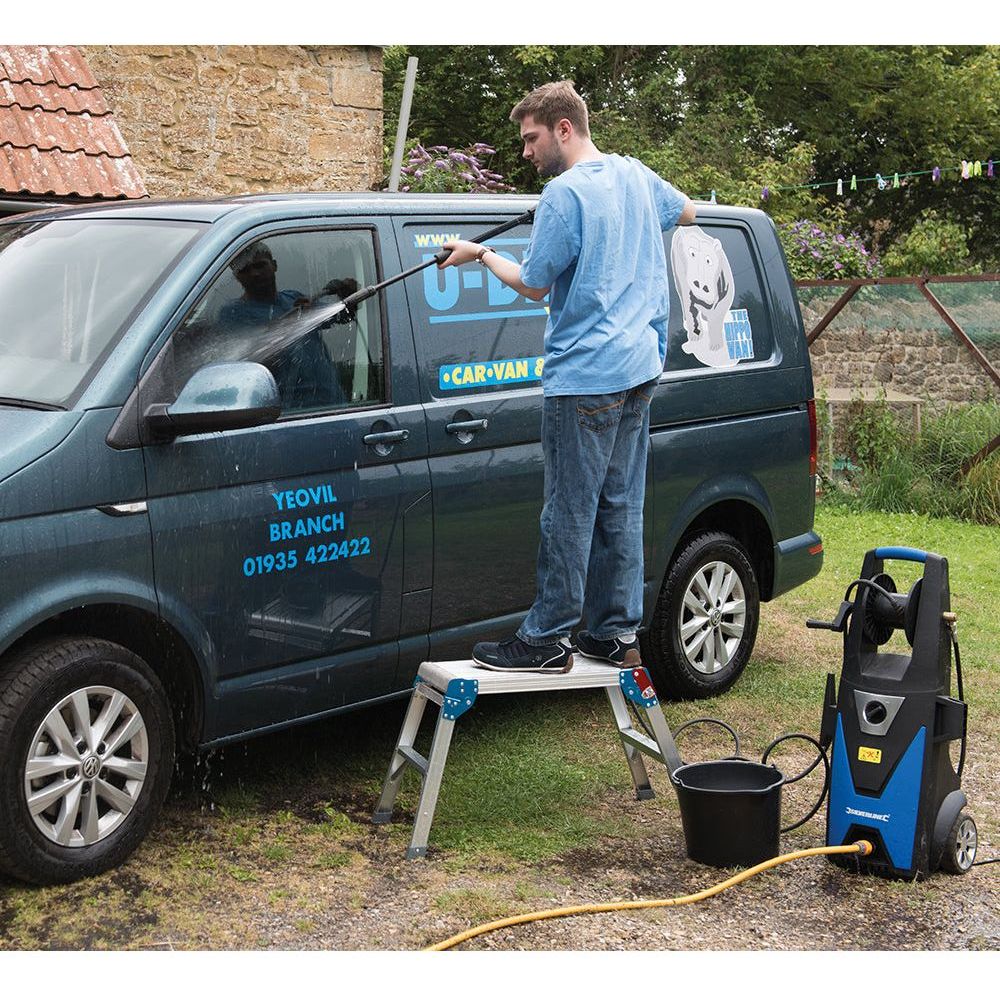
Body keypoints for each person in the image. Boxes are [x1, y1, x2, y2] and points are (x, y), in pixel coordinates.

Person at [438, 80, 696, 673]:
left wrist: (479, 253)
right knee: (620, 505)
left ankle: (546, 639)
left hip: (585, 376)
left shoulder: (563, 193)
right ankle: (612, 634)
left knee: (568, 511)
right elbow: (687, 211)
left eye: (531, 139)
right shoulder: (634, 174)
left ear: (563, 128)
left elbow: (533, 284)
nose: (526, 151)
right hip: (638, 371)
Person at [218, 241, 343, 411]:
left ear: (274, 265)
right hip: (288, 414)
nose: (254, 273)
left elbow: (341, 316)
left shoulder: (294, 299)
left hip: (336, 407)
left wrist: (348, 292)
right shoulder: (233, 313)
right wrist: (292, 321)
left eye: (260, 265)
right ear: (236, 276)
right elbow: (251, 364)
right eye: (245, 269)